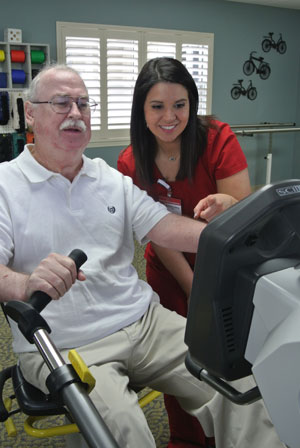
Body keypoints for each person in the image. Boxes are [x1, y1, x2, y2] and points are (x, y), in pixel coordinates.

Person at [0, 64, 285, 448]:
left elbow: (167, 228)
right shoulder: (6, 184)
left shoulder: (109, 178)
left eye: (84, 104)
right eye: (62, 103)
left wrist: (242, 229)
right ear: (30, 112)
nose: (76, 113)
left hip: (144, 321)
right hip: (67, 342)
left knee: (238, 384)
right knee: (125, 429)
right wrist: (25, 282)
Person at [117, 57, 252, 448]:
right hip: (170, 270)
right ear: (142, 111)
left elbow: (242, 210)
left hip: (223, 265)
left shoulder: (216, 138)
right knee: (179, 356)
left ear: (191, 104)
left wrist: (228, 202)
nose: (170, 116)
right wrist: (192, 285)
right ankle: (185, 439)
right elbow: (156, 233)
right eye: (157, 106)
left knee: (226, 352)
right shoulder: (130, 162)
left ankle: (227, 435)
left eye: (179, 104)